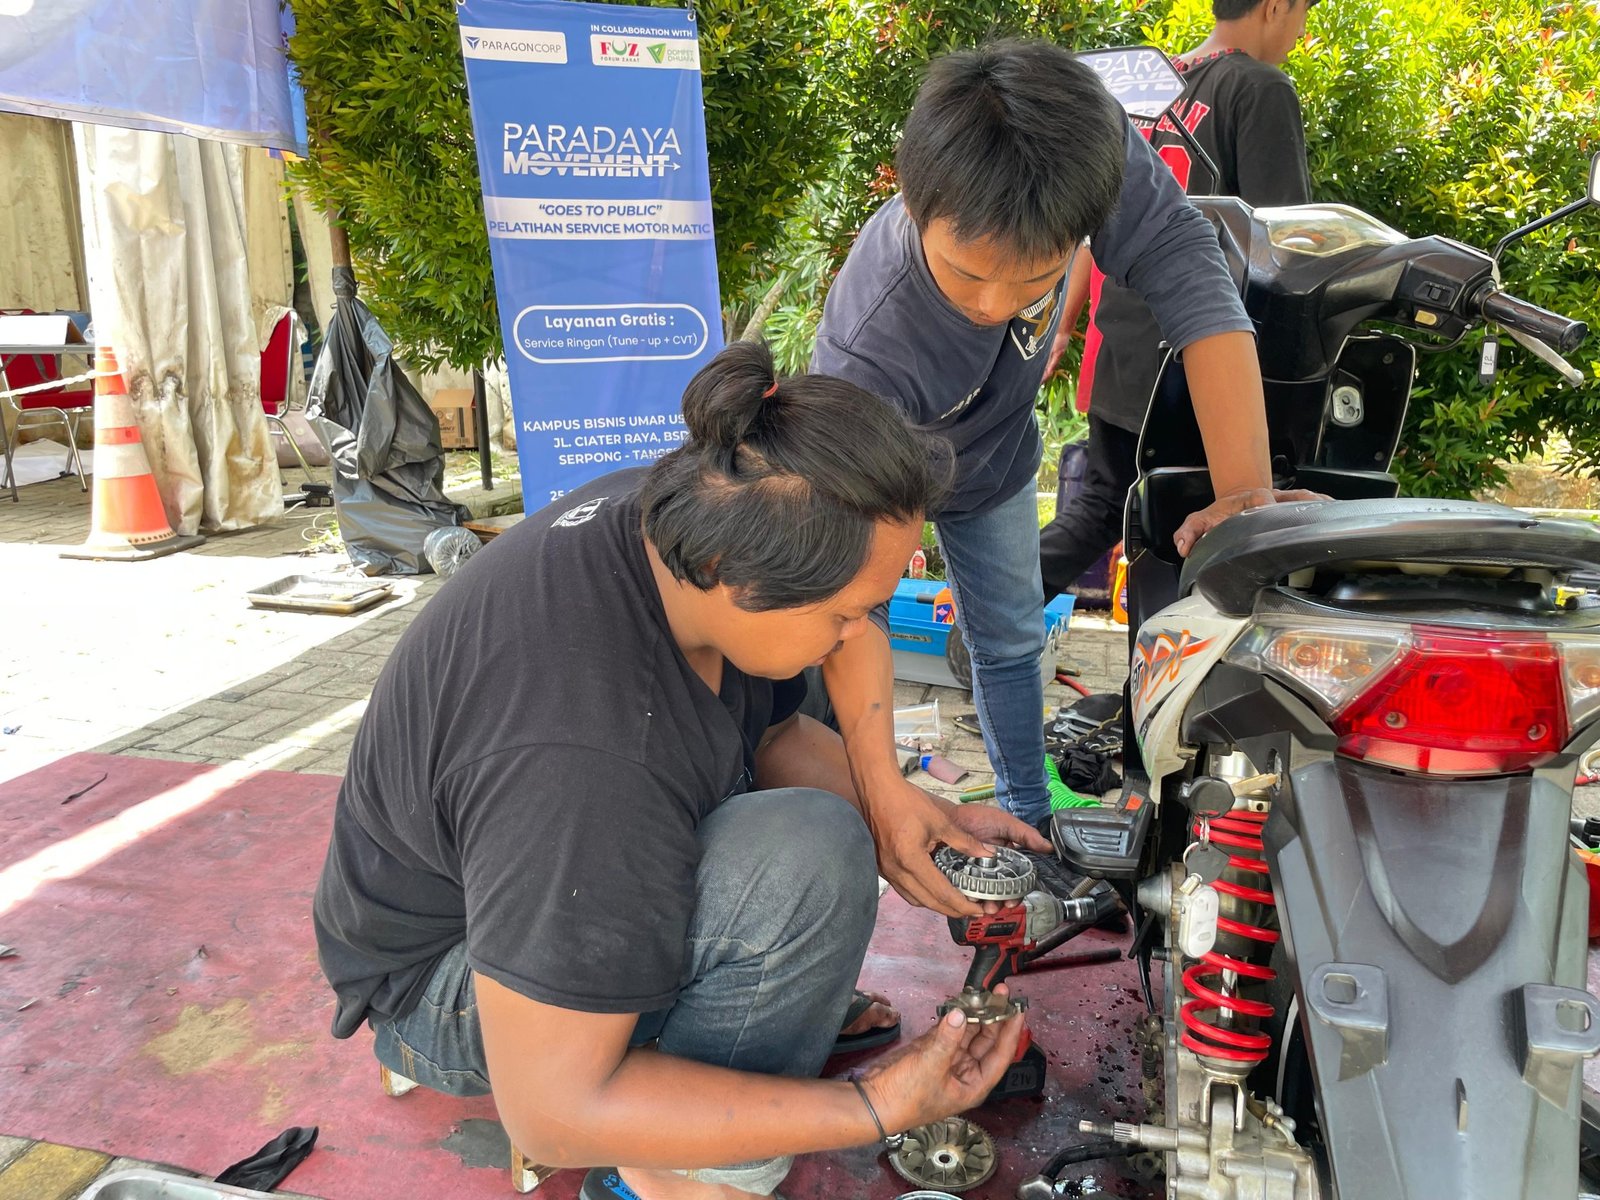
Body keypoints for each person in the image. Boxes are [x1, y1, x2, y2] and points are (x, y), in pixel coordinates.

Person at [312, 340, 1047, 1200]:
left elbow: (771, 738)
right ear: (734, 579)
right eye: (850, 614)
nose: (862, 638)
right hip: (447, 990)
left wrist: (907, 809)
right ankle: (670, 1179)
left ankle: (750, 1006)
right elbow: (550, 1111)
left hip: (534, 885)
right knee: (804, 856)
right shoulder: (585, 753)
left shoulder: (698, 513)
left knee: (825, 814)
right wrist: (878, 1106)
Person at [812, 38, 1313, 854]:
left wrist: (1245, 496)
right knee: (837, 624)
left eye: (1035, 278)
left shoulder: (1080, 150)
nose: (996, 305)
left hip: (997, 448)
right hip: (874, 458)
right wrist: (890, 798)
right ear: (912, 202)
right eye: (967, 275)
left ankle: (1027, 820)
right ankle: (865, 810)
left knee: (1009, 638)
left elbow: (1189, 269)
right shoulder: (869, 347)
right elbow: (850, 614)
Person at [1040, 0, 1318, 601]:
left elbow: (1094, 222)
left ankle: (989, 608)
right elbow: (1288, 239)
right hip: (1205, 352)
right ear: (1276, 7)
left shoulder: (1154, 85)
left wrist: (1064, 321)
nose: (1300, 33)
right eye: (1303, 16)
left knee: (1107, 508)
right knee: (1210, 527)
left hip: (1124, 344)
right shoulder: (1259, 88)